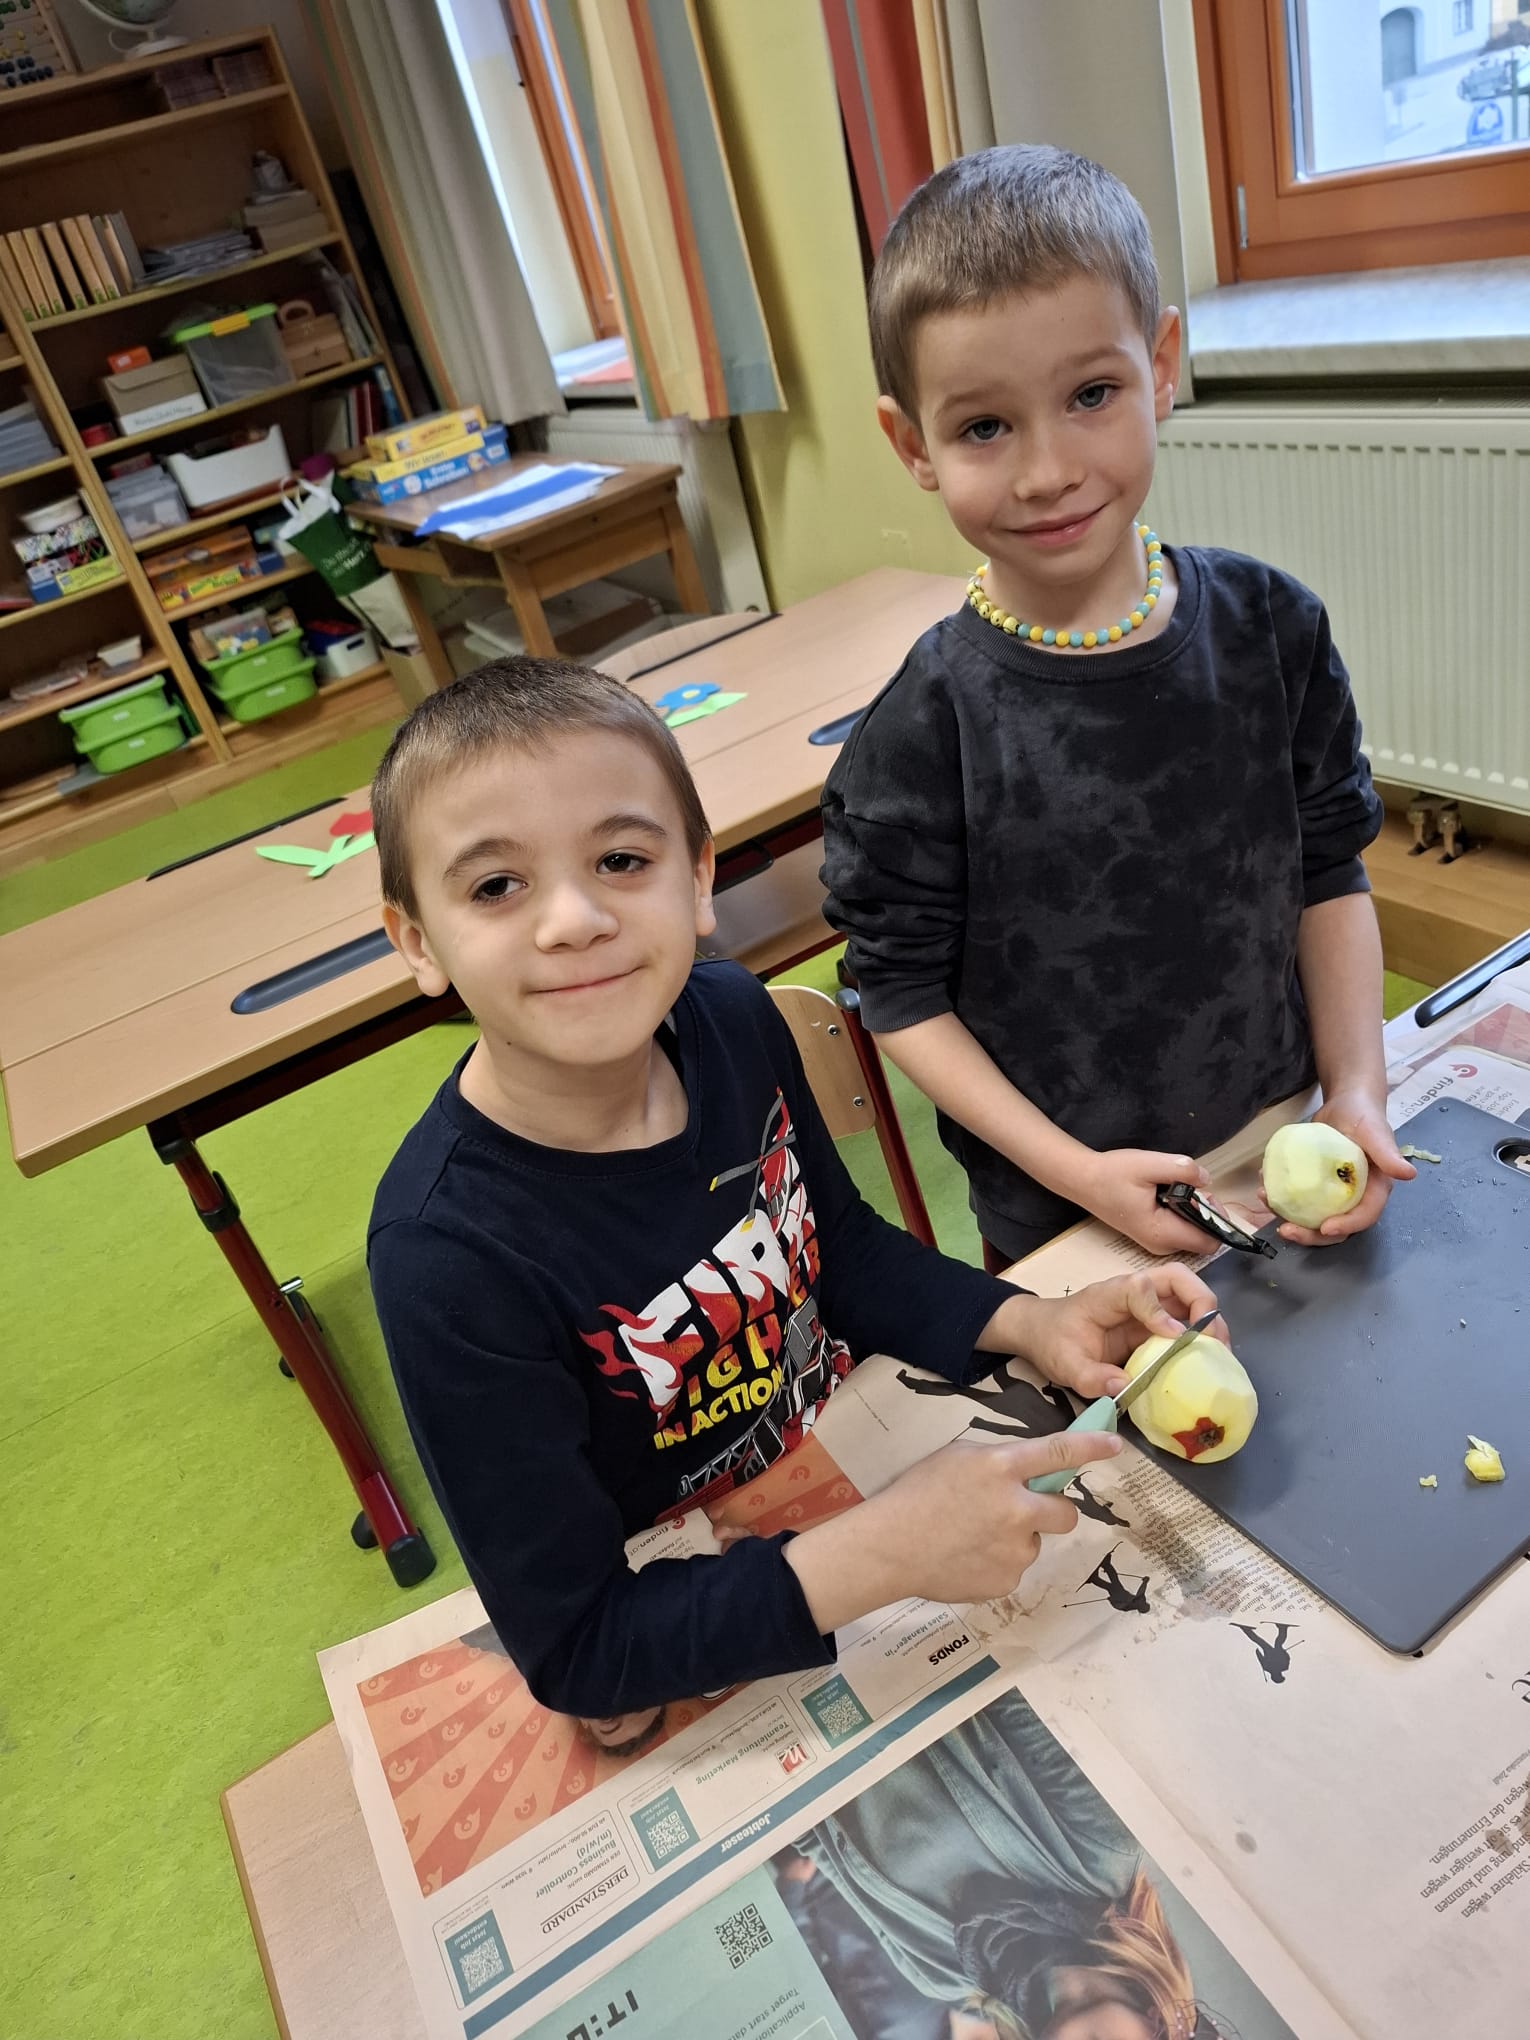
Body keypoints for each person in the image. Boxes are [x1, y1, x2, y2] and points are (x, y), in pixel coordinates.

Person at [366, 657, 1223, 1718]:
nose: (573, 919)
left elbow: (840, 1249)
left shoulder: (734, 1018)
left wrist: (1030, 1321)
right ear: (418, 941)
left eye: (622, 860)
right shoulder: (443, 1256)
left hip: (841, 1450)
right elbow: (578, 1646)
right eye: (497, 886)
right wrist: (883, 1553)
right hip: (689, 1596)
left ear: (697, 880)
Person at [820, 144, 1413, 1266]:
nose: (1048, 470)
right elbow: (898, 996)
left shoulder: (1273, 627)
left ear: (1162, 365)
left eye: (1091, 396)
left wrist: (1357, 1090)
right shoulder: (920, 733)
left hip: (1288, 1135)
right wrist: (1077, 1176)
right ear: (913, 445)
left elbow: (1329, 874)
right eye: (984, 427)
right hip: (1067, 1212)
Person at [789, 1689, 1234, 2040]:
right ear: (1159, 2023)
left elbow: (814, 1837)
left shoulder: (940, 1978)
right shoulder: (1104, 1853)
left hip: (789, 1721)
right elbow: (997, 1683)